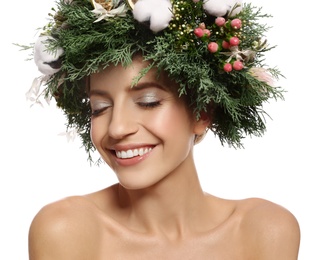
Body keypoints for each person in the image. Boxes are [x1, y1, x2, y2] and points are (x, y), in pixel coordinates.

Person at [23, 0, 300, 259]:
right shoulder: (67, 232)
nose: (117, 128)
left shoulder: (264, 231)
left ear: (202, 112)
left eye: (148, 102)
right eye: (99, 108)